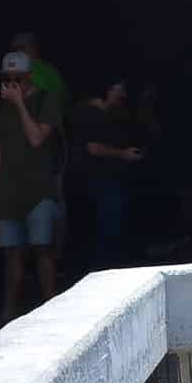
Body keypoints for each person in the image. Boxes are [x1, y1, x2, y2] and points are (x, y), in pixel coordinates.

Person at [0, 51, 65, 321]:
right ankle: (9, 316)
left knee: (42, 250)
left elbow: (36, 139)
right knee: (12, 255)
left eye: (16, 77)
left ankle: (51, 312)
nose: (11, 82)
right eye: (6, 78)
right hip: (8, 190)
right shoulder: (1, 107)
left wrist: (20, 104)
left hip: (39, 188)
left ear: (28, 77)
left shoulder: (45, 100)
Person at [72, 79, 145, 270]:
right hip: (100, 181)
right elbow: (92, 148)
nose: (123, 94)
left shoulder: (111, 113)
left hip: (111, 180)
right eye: (120, 89)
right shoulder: (88, 113)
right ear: (108, 88)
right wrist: (123, 154)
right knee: (107, 232)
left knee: (112, 231)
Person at [10, 31, 67, 106]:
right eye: (15, 48)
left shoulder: (48, 70)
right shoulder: (15, 69)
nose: (18, 51)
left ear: (33, 47)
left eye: (22, 47)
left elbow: (60, 98)